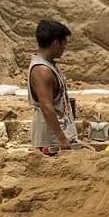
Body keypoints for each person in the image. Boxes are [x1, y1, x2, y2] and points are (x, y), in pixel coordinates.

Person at [27, 19, 78, 156]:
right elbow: (46, 106)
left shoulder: (49, 65)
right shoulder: (42, 70)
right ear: (56, 43)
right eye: (64, 45)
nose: (64, 50)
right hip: (51, 141)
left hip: (59, 136)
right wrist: (61, 137)